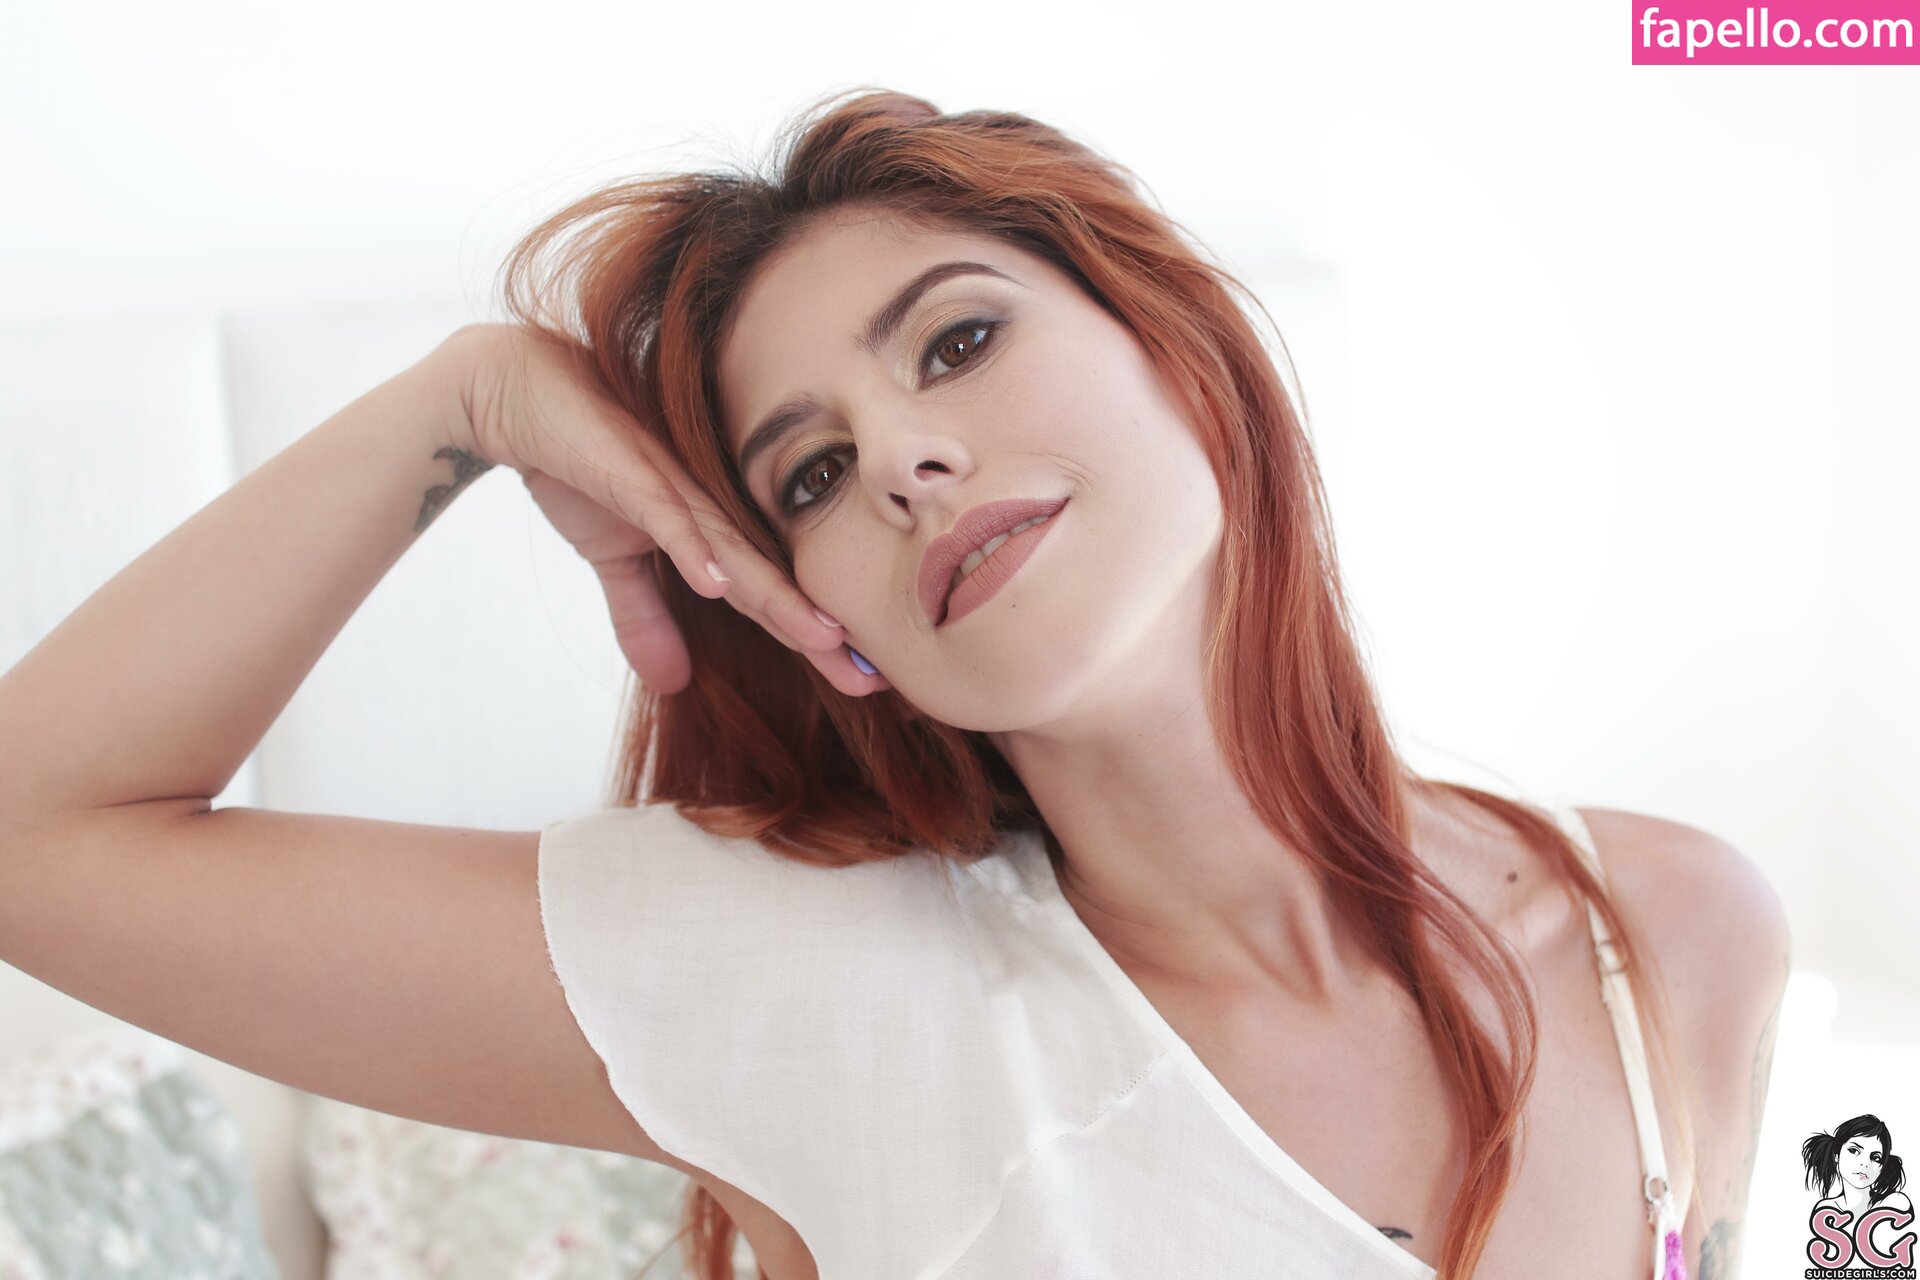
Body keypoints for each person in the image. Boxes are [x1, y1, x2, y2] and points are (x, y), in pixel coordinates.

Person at [0, 88, 1790, 1280]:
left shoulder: (1678, 925)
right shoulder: (816, 979)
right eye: (810, 475)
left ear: (1177, 346)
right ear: (808, 613)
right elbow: (33, 836)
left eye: (960, 339)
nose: (905, 464)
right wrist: (459, 403)